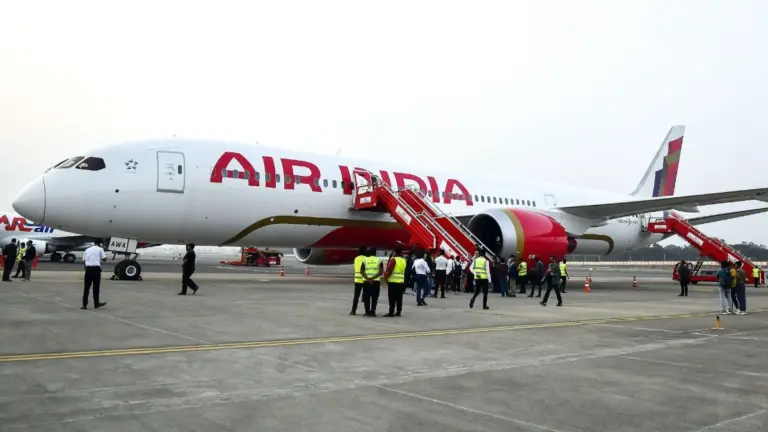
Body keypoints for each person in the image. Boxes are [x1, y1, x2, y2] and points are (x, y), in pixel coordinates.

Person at [82, 239, 107, 309]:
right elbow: (104, 259)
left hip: (88, 269)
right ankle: (96, 303)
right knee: (96, 287)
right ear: (101, 243)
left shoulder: (87, 250)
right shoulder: (100, 249)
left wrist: (86, 269)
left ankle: (84, 305)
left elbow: (84, 261)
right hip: (96, 269)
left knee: (86, 288)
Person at [383, 247, 406, 317]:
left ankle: (391, 312)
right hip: (401, 282)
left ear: (395, 252)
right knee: (399, 298)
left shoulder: (394, 260)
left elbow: (390, 270)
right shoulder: (403, 260)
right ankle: (398, 311)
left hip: (393, 282)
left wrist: (386, 277)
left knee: (392, 298)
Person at [359, 247, 383, 316]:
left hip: (366, 282)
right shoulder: (379, 260)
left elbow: (361, 271)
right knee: (374, 297)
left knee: (366, 297)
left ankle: (367, 311)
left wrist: (368, 278)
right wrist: (373, 278)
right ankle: (373, 311)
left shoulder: (365, 260)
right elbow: (381, 272)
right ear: (375, 253)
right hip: (375, 282)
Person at [350, 246, 367, 315]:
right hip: (365, 280)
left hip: (357, 280)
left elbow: (355, 267)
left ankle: (353, 311)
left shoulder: (356, 259)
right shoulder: (366, 259)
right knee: (366, 297)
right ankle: (366, 311)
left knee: (356, 297)